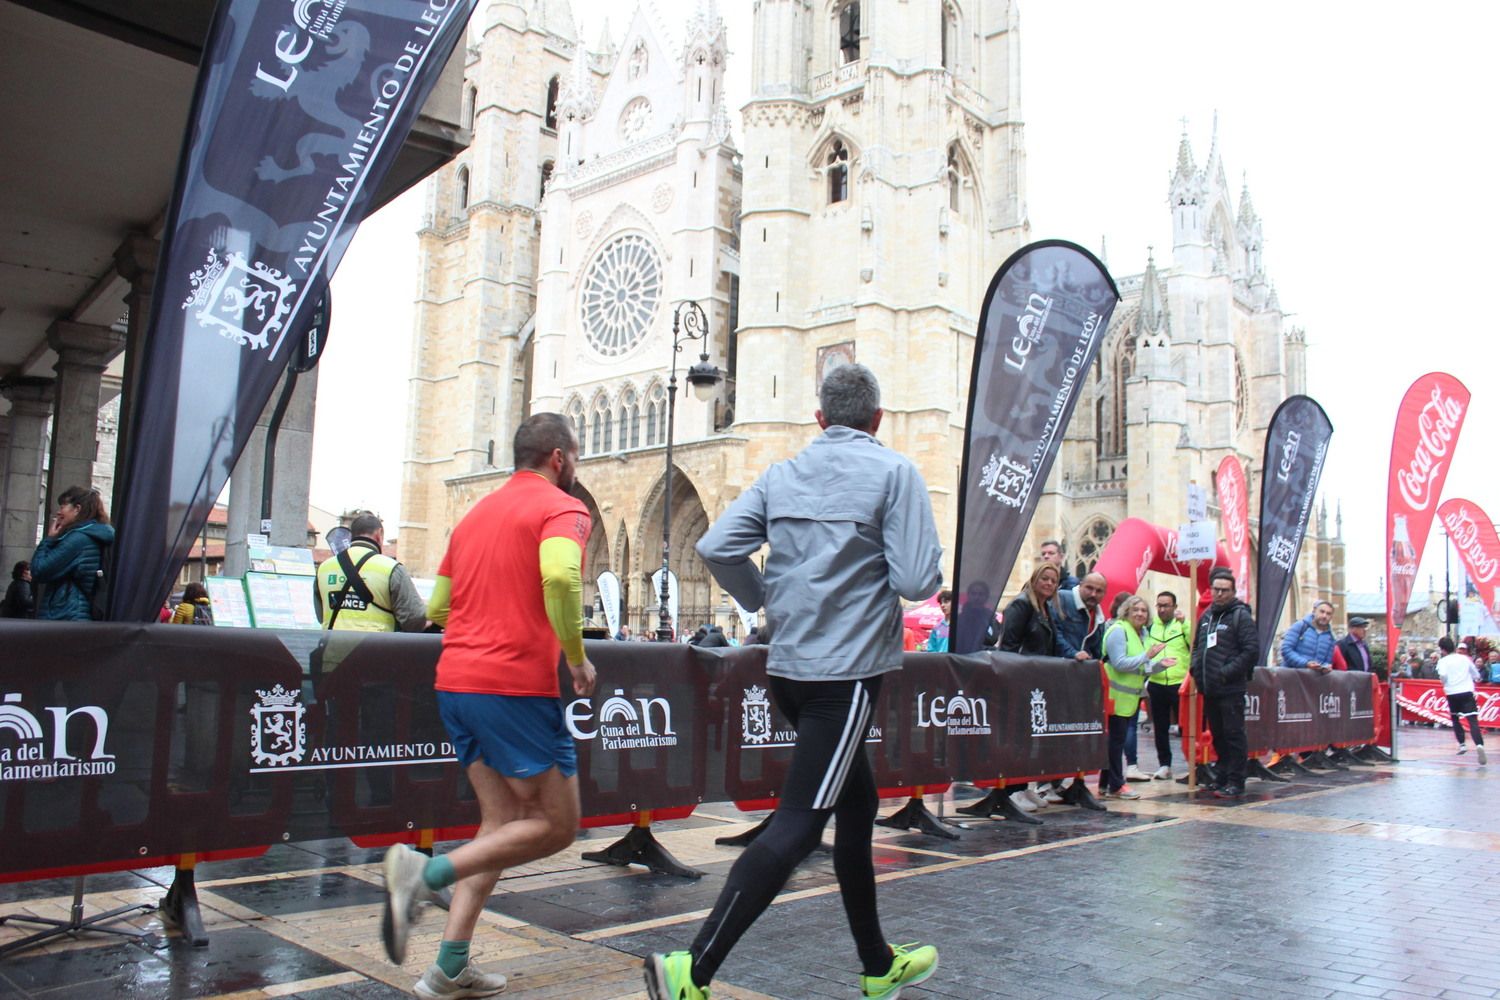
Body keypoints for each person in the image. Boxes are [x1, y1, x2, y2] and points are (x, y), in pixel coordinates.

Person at [644, 364, 943, 1000]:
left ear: (819, 418)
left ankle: (877, 962)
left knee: (856, 805)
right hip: (848, 674)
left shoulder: (782, 474)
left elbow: (718, 547)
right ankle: (691, 971)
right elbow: (918, 582)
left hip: (788, 672)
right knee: (801, 823)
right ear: (878, 420)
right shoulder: (895, 473)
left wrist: (767, 601)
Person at [378, 413, 598, 998]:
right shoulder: (562, 508)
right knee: (556, 826)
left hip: (456, 681)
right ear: (558, 457)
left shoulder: (473, 515)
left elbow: (441, 606)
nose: (576, 465)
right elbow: (560, 578)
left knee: (499, 825)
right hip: (514, 687)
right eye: (575, 455)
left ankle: (449, 966)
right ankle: (424, 876)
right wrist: (574, 656)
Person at [1189, 567, 1259, 798]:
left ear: (1232, 591)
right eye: (1216, 589)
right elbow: (1198, 647)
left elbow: (1251, 651)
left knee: (1234, 734)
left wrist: (1226, 672)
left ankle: (1236, 780)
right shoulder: (1206, 616)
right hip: (1209, 688)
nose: (1219, 594)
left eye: (1224, 590)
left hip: (1230, 687)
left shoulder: (1241, 616)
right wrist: (1196, 670)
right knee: (1218, 735)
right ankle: (1222, 775)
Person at [1101, 596, 1173, 798]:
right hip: (1115, 696)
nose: (1140, 613)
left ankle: (1104, 784)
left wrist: (1160, 665)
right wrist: (1147, 656)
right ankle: (1116, 785)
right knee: (1115, 742)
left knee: (1116, 741)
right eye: (1136, 610)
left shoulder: (1141, 634)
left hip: (1130, 698)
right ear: (1126, 612)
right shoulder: (1118, 630)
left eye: (1143, 610)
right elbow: (1120, 663)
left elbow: (1143, 667)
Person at [315, 512, 428, 632]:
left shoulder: (324, 568)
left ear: (351, 536)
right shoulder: (392, 569)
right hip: (375, 648)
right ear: (379, 534)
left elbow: (320, 615)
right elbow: (414, 619)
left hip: (332, 647)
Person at [30, 485, 114, 621]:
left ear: (77, 509)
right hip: (77, 612)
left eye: (63, 506)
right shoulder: (93, 535)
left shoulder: (77, 540)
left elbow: (39, 570)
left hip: (64, 614)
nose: (58, 512)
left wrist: (49, 540)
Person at [1146, 590, 1192, 779]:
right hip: (1156, 682)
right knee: (1160, 726)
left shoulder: (1182, 625)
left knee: (1186, 727)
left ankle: (1192, 764)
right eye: (1159, 605)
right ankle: (1164, 765)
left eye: (1166, 605)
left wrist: (1186, 624)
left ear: (1174, 607)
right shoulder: (1151, 627)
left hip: (1178, 683)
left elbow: (1194, 642)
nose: (1162, 609)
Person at [1435, 636, 1486, 764]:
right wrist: (1477, 678)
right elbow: (1476, 674)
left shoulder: (1443, 661)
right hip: (1467, 691)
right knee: (1472, 720)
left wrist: (1445, 683)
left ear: (1442, 649)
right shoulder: (1464, 659)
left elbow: (1443, 675)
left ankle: (1462, 744)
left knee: (1455, 718)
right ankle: (1479, 745)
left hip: (1452, 692)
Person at [998, 564, 1060, 656]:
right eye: (1044, 579)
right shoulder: (1021, 604)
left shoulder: (1047, 607)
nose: (1049, 583)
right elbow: (1008, 645)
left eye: (1053, 581)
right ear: (1034, 580)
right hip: (1022, 667)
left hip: (1042, 667)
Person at [1054, 572, 1107, 661]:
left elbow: (1095, 650)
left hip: (1080, 670)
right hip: (1057, 666)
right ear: (1080, 585)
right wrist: (1073, 653)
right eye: (1089, 588)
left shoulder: (1100, 618)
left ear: (1104, 594)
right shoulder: (1062, 598)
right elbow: (1055, 632)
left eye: (1099, 591)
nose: (1093, 594)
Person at [1279, 600, 1336, 673]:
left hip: (1313, 680)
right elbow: (1286, 650)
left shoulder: (1330, 637)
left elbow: (1327, 661)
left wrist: (1325, 667)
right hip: (1291, 676)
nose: (1324, 616)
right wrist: (1305, 663)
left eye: (1328, 614)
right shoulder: (1300, 626)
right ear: (1314, 611)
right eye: (1322, 611)